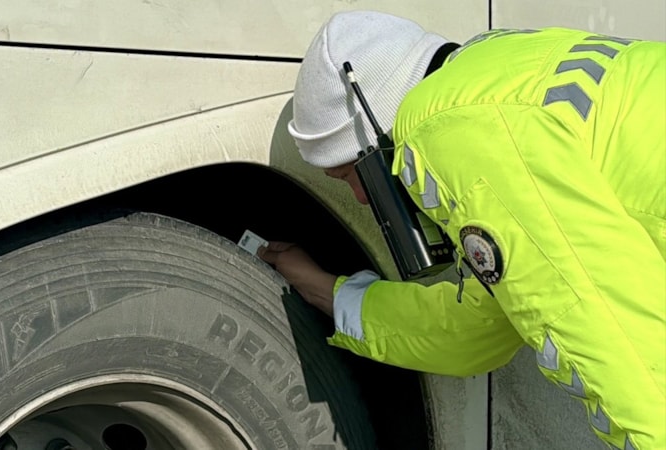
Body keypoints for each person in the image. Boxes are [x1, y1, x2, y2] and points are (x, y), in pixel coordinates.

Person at [258, 10, 665, 449]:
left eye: (349, 175)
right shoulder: (501, 69)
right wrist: (330, 293)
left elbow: (623, 361)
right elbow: (479, 324)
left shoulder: (446, 127)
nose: (359, 198)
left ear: (375, 141)